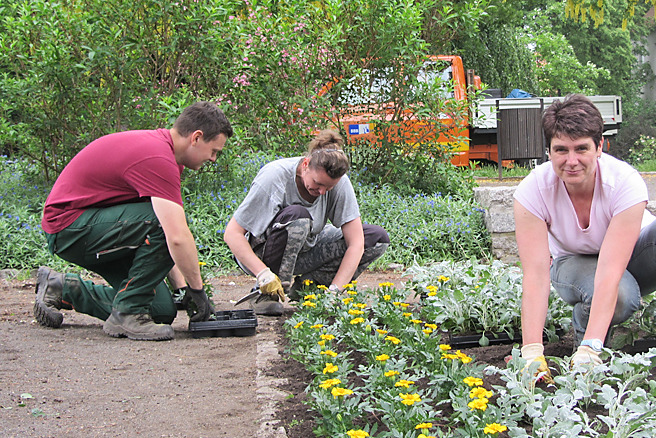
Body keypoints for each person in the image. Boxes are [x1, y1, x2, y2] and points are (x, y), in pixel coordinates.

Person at [513, 94, 656, 391]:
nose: (571, 161)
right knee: (621, 296)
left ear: (600, 147)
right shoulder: (532, 191)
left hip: (628, 257)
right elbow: (536, 275)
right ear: (549, 151)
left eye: (581, 148)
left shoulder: (624, 183)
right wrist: (531, 351)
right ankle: (587, 349)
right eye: (561, 150)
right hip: (572, 264)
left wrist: (591, 347)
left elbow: (610, 269)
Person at [34, 101, 232, 340]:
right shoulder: (157, 157)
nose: (213, 159)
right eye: (214, 151)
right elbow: (174, 236)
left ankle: (62, 288)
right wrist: (197, 290)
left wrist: (180, 288)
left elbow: (158, 239)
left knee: (159, 312)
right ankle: (127, 313)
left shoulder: (167, 156)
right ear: (196, 137)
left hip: (97, 227)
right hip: (69, 228)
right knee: (164, 223)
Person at [224, 129, 390, 315]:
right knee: (298, 216)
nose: (322, 192)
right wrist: (263, 274)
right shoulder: (274, 177)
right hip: (262, 253)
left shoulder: (339, 182)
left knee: (376, 238)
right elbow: (232, 234)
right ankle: (265, 294)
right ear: (305, 164)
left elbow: (357, 243)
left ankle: (311, 288)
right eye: (318, 184)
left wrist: (335, 292)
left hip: (306, 247)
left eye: (329, 187)